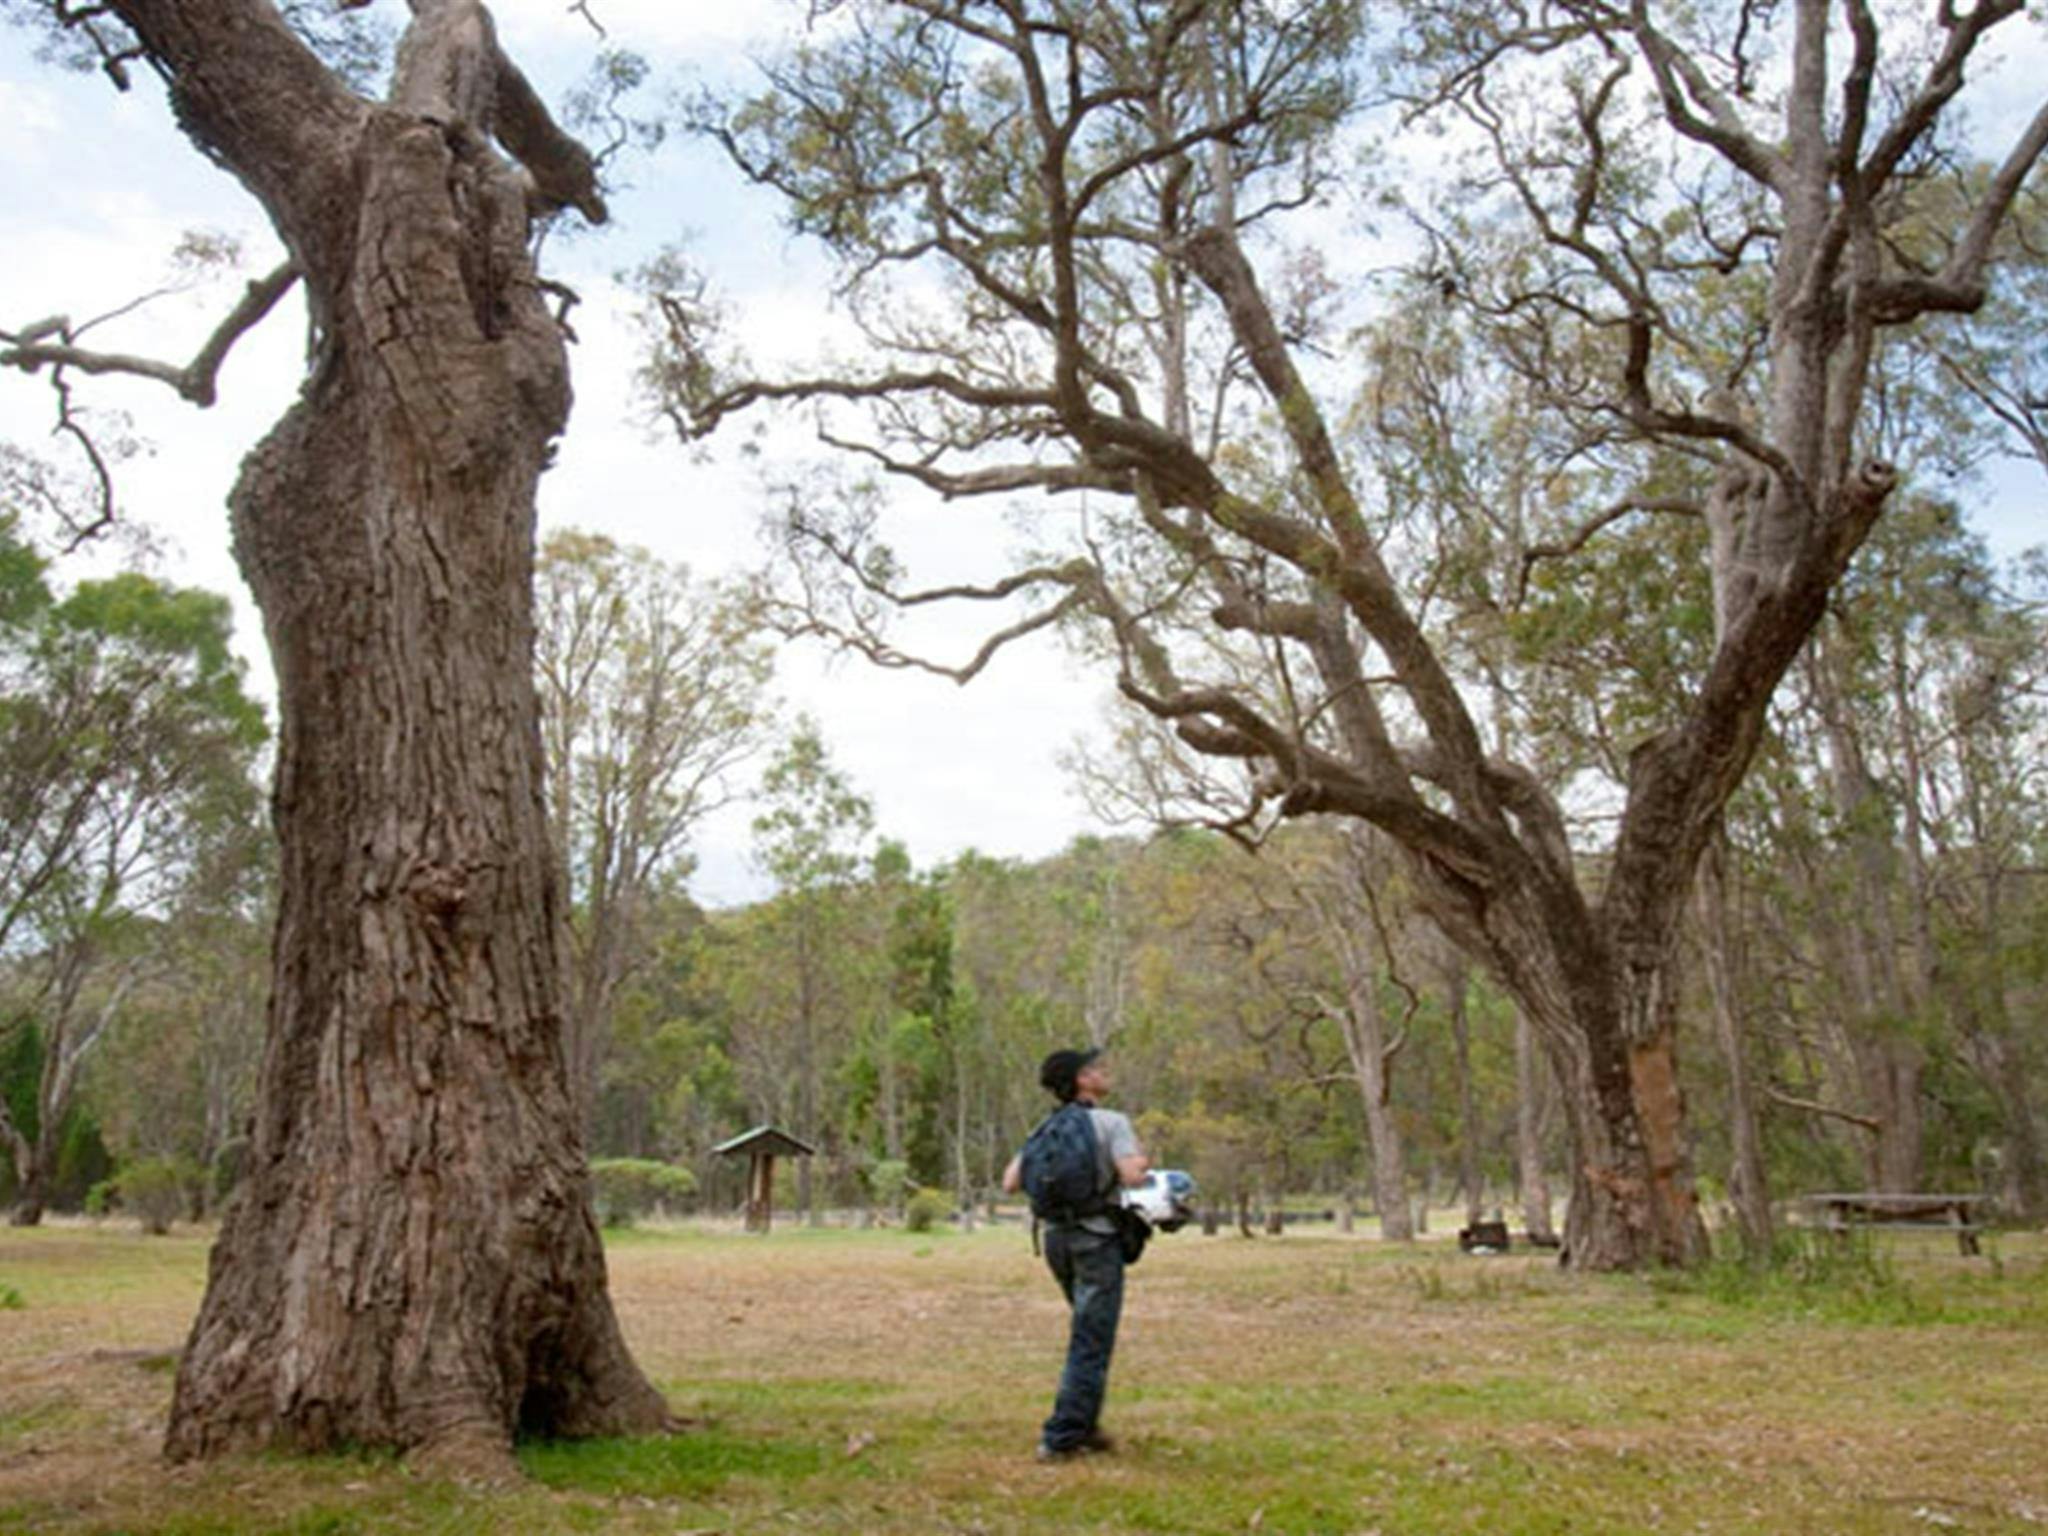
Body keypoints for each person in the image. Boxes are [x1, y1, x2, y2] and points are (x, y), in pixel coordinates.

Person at [1001, 1046, 1150, 1463]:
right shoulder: (1111, 1122)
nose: (1104, 1072)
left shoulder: (1045, 1127)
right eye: (1096, 1069)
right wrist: (1141, 1160)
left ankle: (1085, 1426)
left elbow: (1010, 1180)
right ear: (1082, 1080)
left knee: (1089, 1334)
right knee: (1090, 1339)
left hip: (1056, 1242)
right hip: (1096, 1239)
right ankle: (1062, 1436)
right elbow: (1131, 1176)